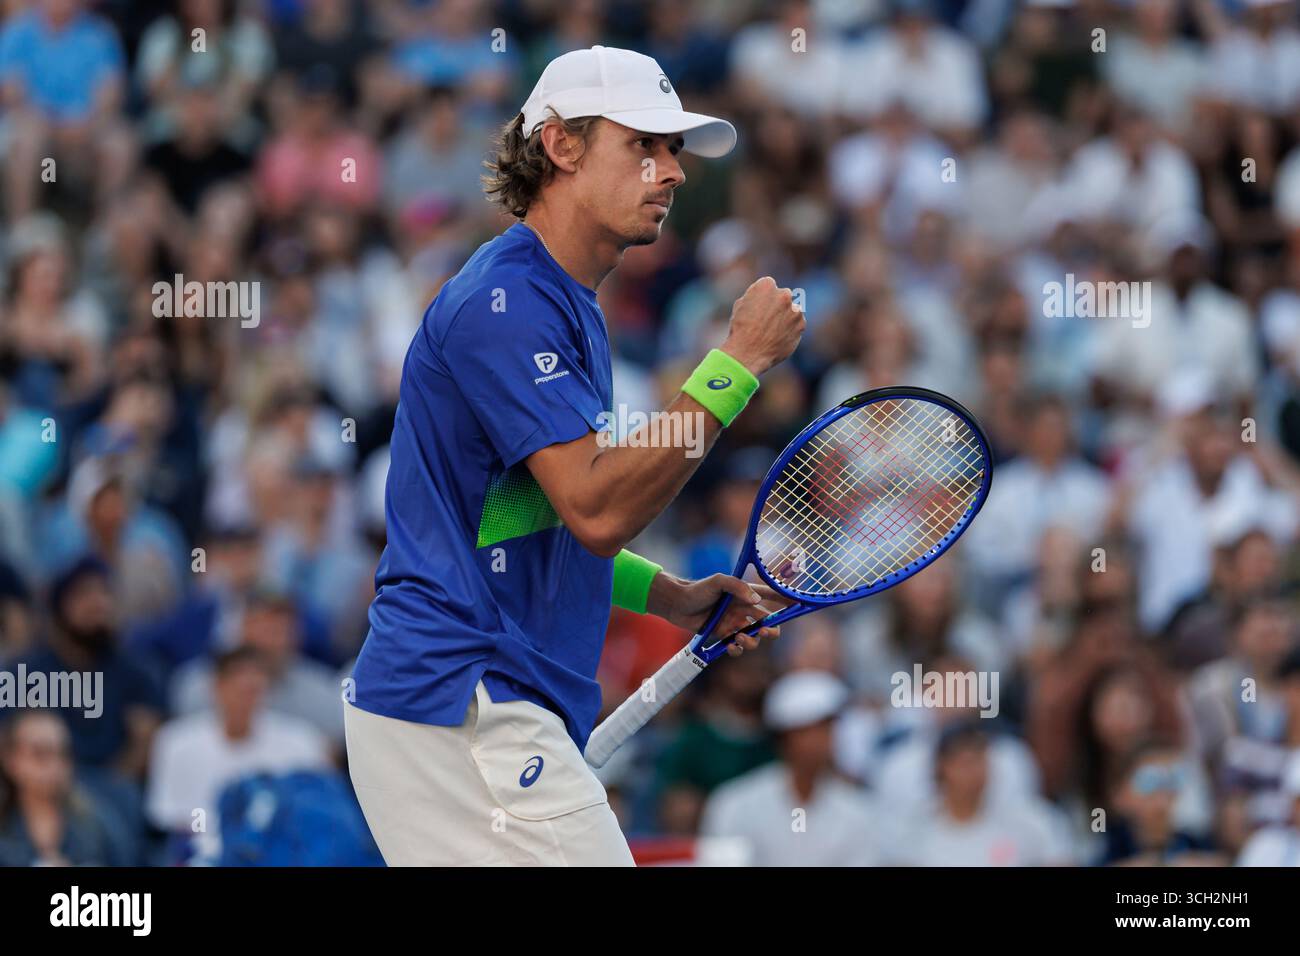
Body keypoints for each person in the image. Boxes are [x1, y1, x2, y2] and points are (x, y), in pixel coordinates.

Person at [344, 45, 805, 866]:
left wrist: (668, 596)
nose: (672, 172)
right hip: (466, 700)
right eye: (645, 146)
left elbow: (524, 515)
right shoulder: (510, 303)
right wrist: (736, 366)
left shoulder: (561, 304)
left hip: (462, 705)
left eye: (675, 152)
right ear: (561, 145)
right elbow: (595, 509)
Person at [698, 671, 880, 866]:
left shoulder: (857, 811)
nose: (822, 741)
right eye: (809, 731)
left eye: (827, 728)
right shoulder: (734, 804)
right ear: (784, 738)